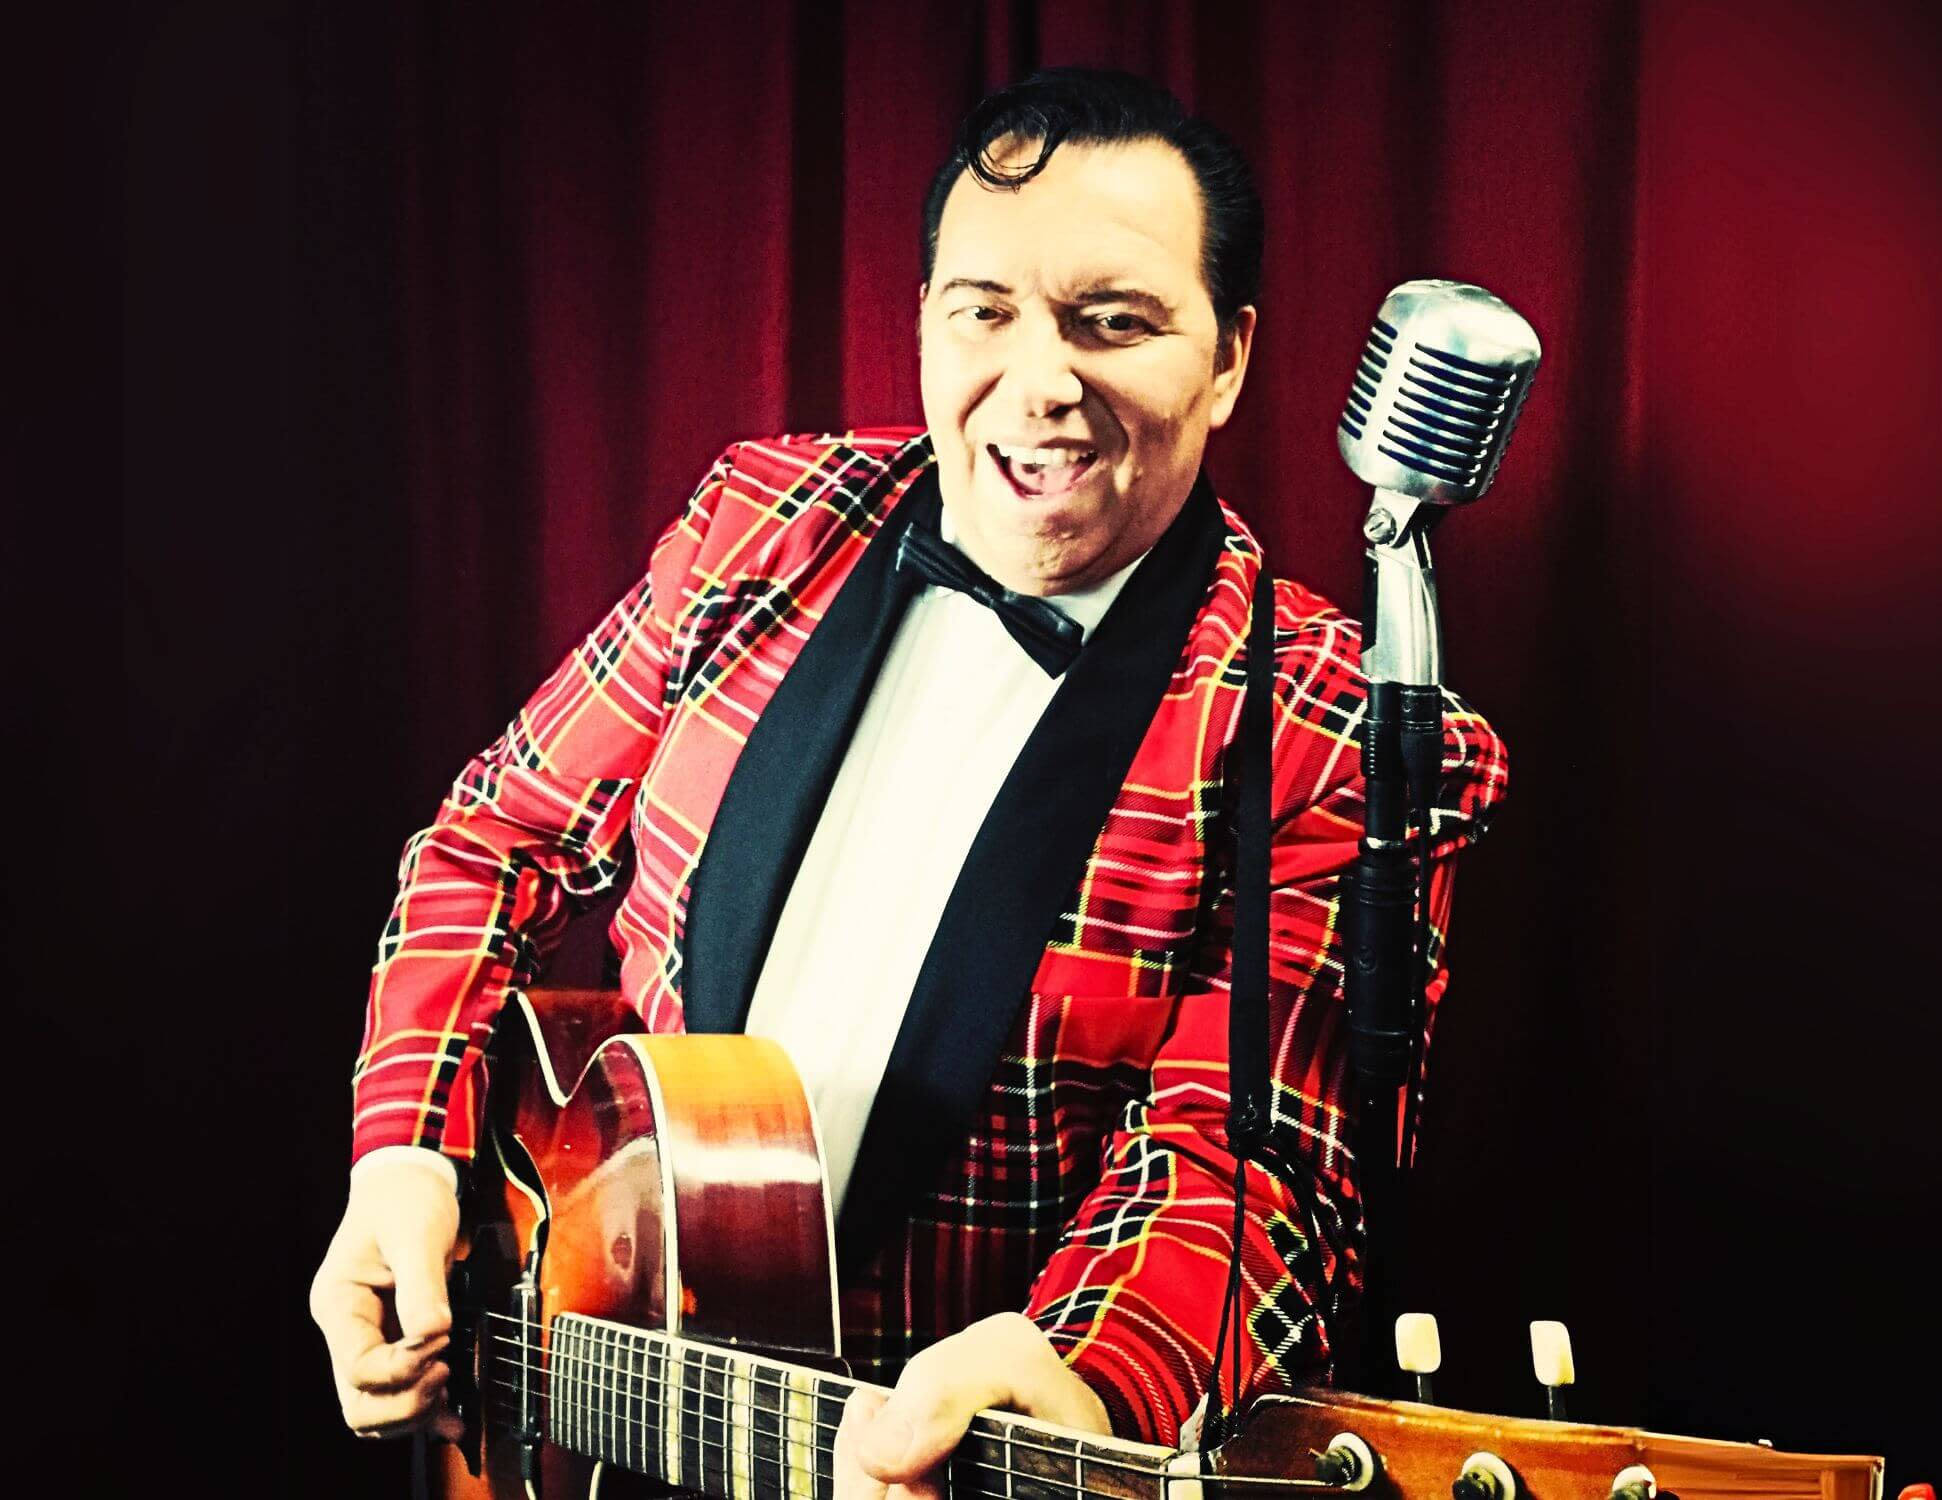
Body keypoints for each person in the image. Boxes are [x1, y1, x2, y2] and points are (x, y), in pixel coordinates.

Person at [309, 67, 1507, 1496]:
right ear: (928, 317)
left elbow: (1260, 1167)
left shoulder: (1331, 728)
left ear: (1230, 359)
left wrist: (1086, 1374)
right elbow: (489, 840)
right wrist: (406, 1158)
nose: (1040, 382)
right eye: (984, 311)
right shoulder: (763, 521)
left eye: (1114, 320)